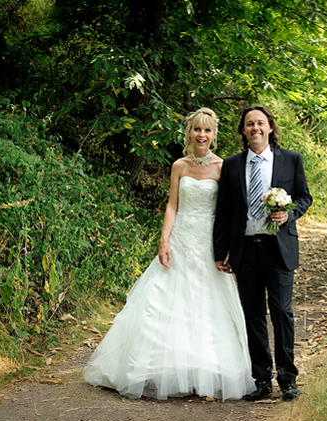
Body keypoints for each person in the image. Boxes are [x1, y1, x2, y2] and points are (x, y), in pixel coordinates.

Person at [83, 108, 256, 401]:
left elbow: (227, 212)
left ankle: (204, 367)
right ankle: (157, 368)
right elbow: (172, 206)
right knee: (162, 301)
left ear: (214, 135)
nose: (202, 135)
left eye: (207, 130)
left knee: (206, 302)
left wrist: (226, 246)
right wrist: (164, 241)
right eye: (197, 130)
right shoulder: (179, 166)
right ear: (189, 133)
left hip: (208, 242)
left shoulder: (223, 167)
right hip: (180, 238)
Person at [213, 104, 312, 402]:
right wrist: (221, 251)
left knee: (281, 312)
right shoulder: (231, 165)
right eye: (249, 124)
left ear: (270, 127)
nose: (255, 128)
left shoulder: (291, 160)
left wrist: (289, 214)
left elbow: (304, 197)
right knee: (253, 314)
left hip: (278, 248)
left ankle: (287, 379)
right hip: (245, 250)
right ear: (243, 131)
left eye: (260, 123)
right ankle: (261, 380)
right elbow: (224, 211)